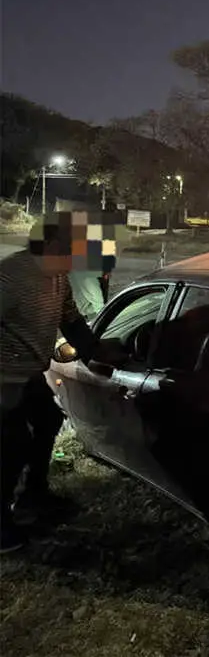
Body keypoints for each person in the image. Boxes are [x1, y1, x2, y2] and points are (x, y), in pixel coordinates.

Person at [0, 214, 103, 553]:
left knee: (48, 420)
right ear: (52, 245)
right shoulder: (12, 276)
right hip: (4, 376)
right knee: (13, 444)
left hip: (28, 372)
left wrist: (97, 353)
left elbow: (71, 320)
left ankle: (33, 495)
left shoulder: (58, 277)